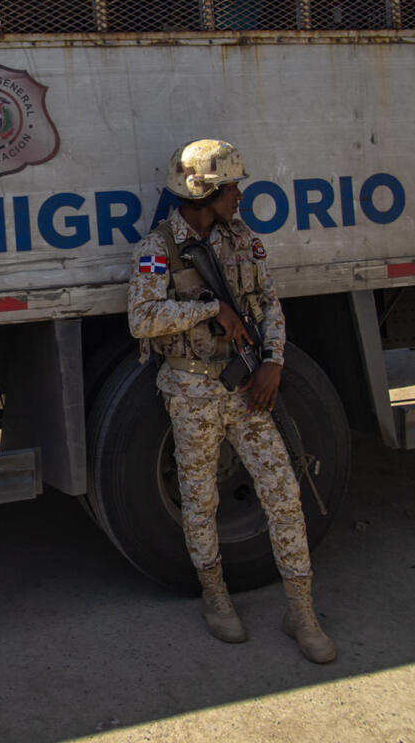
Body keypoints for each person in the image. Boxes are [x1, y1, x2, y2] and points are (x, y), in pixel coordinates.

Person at [127, 139, 336, 664]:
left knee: (284, 492)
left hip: (246, 386)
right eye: (232, 186)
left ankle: (301, 610)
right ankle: (216, 598)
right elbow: (142, 320)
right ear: (205, 192)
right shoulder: (158, 249)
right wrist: (207, 308)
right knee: (200, 503)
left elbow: (269, 305)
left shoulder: (243, 240)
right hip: (192, 391)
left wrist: (273, 363)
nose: (241, 194)